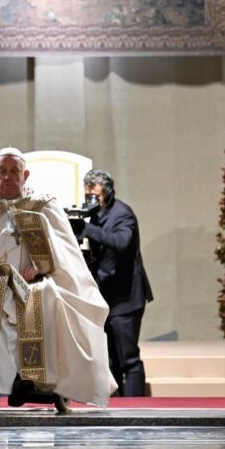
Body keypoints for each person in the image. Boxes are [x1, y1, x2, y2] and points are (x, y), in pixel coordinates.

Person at [0, 147, 117, 407]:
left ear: (25, 174)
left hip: (32, 281)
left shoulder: (43, 204)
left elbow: (64, 252)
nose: (7, 176)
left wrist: (41, 267)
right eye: (2, 171)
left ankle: (34, 381)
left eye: (14, 171)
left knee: (48, 298)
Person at [80, 169, 153, 396]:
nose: (92, 201)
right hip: (106, 298)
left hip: (126, 300)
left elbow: (121, 242)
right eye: (88, 197)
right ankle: (114, 406)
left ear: (109, 193)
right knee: (109, 360)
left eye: (96, 197)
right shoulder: (96, 215)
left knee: (128, 359)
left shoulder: (123, 214)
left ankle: (137, 409)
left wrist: (87, 229)